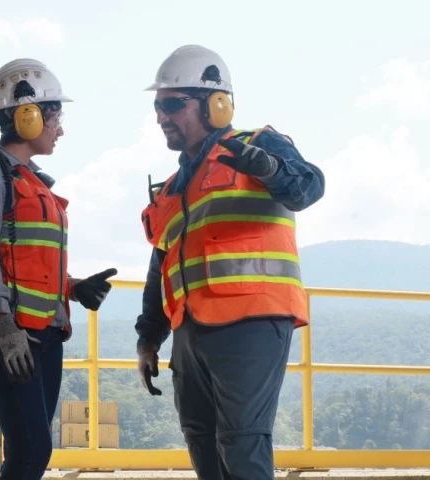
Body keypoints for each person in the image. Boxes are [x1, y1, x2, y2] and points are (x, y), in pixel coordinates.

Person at [134, 44, 325, 479]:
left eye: (172, 104)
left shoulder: (258, 145)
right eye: (157, 106)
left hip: (251, 318)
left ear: (215, 104)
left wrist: (269, 168)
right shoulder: (173, 186)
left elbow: (309, 188)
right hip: (190, 327)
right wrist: (149, 339)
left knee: (241, 443)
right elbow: (160, 267)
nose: (161, 116)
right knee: (201, 440)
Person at [0, 58, 118, 479]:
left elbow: (26, 261)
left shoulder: (33, 183)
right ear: (27, 115)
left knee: (31, 452)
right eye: (54, 117)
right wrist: (3, 327)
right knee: (33, 450)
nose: (60, 128)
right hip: (8, 333)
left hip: (44, 335)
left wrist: (73, 286)